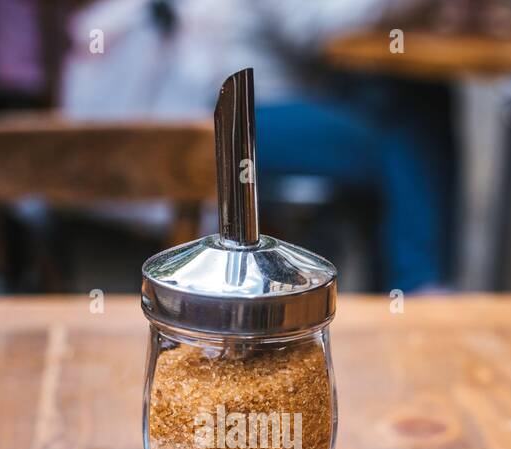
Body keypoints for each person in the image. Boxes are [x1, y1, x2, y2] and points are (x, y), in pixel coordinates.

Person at [59, 0, 454, 292]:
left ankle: (404, 283)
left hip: (278, 103)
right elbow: (318, 27)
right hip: (245, 112)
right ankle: (416, 283)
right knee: (400, 136)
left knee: (408, 110)